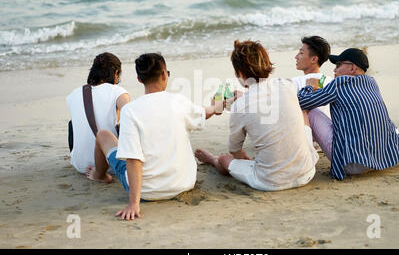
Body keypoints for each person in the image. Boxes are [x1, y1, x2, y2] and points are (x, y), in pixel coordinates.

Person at [86, 53, 221, 221]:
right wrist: (217, 106)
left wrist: (134, 203)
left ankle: (99, 175)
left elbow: (133, 159)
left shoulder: (131, 111)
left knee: (103, 135)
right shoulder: (179, 101)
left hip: (148, 192)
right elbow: (203, 113)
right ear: (164, 74)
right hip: (183, 183)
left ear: (139, 79)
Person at [195, 40, 318, 191]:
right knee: (302, 110)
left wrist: (247, 162)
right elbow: (265, 99)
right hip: (307, 172)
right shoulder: (286, 85)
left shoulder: (241, 106)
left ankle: (213, 160)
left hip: (271, 182)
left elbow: (235, 150)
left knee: (224, 159)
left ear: (239, 73)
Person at [297, 48, 399, 180]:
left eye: (338, 65)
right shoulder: (371, 83)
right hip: (383, 159)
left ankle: (301, 157)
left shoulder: (339, 84)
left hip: (353, 164)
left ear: (352, 68)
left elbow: (301, 102)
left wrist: (309, 86)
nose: (334, 70)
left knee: (311, 112)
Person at [66, 52, 130, 174]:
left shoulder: (73, 95)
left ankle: (82, 156)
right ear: (116, 72)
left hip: (79, 166)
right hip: (110, 165)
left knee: (72, 123)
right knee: (125, 121)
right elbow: (131, 115)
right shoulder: (118, 91)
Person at [290, 36, 333, 117]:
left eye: (301, 53)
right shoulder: (332, 82)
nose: (296, 57)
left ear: (313, 59)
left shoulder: (295, 82)